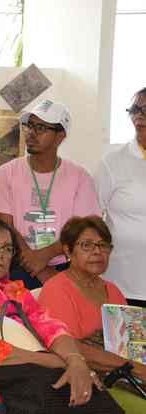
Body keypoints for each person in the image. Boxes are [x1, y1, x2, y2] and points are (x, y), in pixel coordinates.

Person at [0, 217, 101, 414]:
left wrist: (75, 360)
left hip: (25, 380)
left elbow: (50, 327)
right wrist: (58, 361)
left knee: (86, 396)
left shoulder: (11, 290)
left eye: (7, 248)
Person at [0, 99, 101, 289]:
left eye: (41, 128)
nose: (31, 133)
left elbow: (85, 228)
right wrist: (39, 267)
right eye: (29, 126)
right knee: (15, 319)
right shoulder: (7, 172)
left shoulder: (79, 176)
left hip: (65, 267)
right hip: (16, 266)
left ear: (60, 136)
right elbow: (3, 225)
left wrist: (45, 256)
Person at [38, 216, 146, 412]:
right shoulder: (56, 289)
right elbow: (70, 348)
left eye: (103, 245)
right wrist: (136, 368)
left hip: (129, 373)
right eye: (87, 245)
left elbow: (134, 343)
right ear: (68, 250)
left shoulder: (113, 290)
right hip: (92, 381)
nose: (97, 251)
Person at [95, 87, 146, 307]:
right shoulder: (112, 162)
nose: (139, 116)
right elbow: (92, 216)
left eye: (145, 110)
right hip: (123, 283)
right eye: (135, 109)